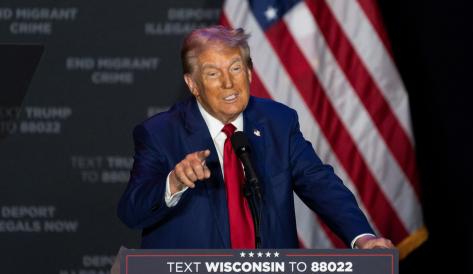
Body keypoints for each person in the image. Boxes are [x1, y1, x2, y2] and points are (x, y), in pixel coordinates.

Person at [117, 25, 393, 250]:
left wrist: (362, 238)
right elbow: (131, 211)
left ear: (249, 72)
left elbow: (320, 184)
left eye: (236, 69)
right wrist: (174, 182)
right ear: (193, 84)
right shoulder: (160, 133)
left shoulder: (278, 122)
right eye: (213, 73)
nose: (229, 83)